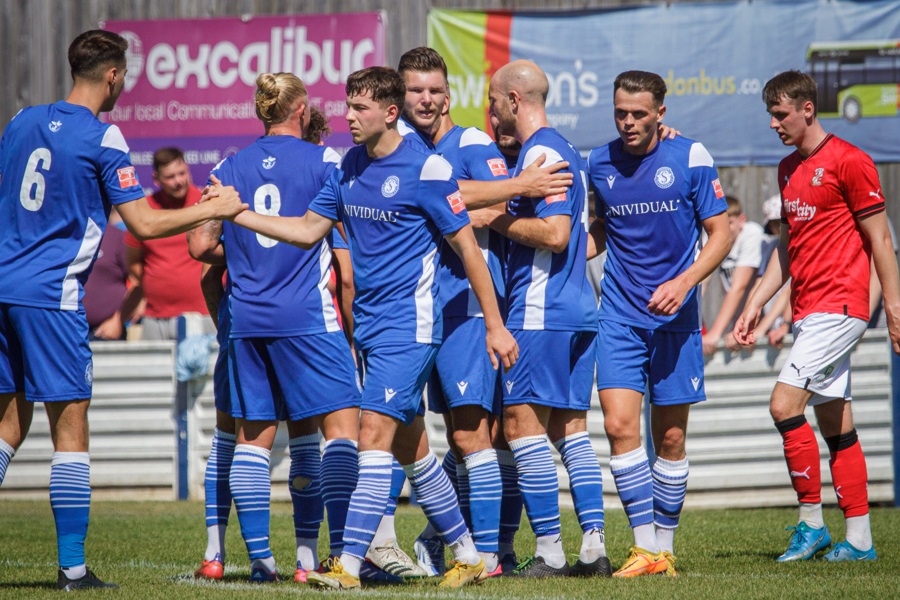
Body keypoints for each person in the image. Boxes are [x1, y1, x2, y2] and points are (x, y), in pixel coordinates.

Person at [214, 66, 518, 590]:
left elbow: (468, 249)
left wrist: (495, 326)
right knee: (411, 449)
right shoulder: (349, 165)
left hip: (412, 328)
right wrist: (237, 214)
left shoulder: (426, 171)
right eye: (348, 105)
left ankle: (348, 564)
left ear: (390, 113)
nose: (348, 117)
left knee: (370, 438)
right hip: (372, 333)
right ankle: (469, 555)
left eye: (360, 108)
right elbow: (309, 230)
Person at [0, 29, 245, 591]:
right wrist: (218, 207)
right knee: (71, 424)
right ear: (112, 75)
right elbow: (144, 224)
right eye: (125, 74)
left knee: (10, 422)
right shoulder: (105, 136)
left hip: (5, 289)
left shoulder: (20, 121)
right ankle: (73, 569)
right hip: (51, 297)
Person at [189, 72, 365, 583]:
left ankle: (259, 560)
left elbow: (200, 247)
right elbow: (348, 257)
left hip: (245, 317)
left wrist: (243, 255)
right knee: (339, 433)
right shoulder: (325, 161)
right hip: (307, 317)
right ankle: (320, 558)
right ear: (302, 109)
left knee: (251, 439)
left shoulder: (227, 166)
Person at [398, 47, 565, 578]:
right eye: (414, 91)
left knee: (476, 439)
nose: (425, 99)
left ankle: (484, 556)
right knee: (466, 438)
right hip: (426, 312)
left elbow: (502, 208)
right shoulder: (400, 149)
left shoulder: (471, 142)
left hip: (472, 309)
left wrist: (491, 194)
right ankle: (456, 542)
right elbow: (453, 198)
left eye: (433, 90)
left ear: (448, 95)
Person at [734, 69, 900, 563]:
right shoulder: (787, 170)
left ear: (808, 109)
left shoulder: (851, 161)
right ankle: (861, 542)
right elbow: (787, 250)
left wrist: (893, 305)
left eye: (781, 114)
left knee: (783, 406)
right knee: (836, 423)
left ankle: (811, 526)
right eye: (770, 114)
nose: (773, 123)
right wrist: (755, 300)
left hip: (841, 308)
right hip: (809, 310)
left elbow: (882, 241)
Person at [586, 70, 731, 577]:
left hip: (675, 318)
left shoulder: (690, 156)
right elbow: (601, 229)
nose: (628, 122)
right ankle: (644, 547)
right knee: (619, 426)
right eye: (620, 113)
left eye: (639, 114)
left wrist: (686, 281)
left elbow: (721, 232)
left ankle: (663, 550)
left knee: (669, 439)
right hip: (620, 315)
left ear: (660, 114)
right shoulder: (597, 162)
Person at [472, 59, 608, 578]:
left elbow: (554, 235)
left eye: (492, 100)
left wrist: (497, 218)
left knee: (519, 425)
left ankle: (549, 551)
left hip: (540, 308)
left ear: (514, 100)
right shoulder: (568, 150)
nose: (490, 112)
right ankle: (593, 548)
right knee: (571, 431)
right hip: (576, 309)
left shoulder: (542, 152)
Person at [124, 147, 213, 340]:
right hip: (155, 316)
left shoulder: (206, 204)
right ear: (156, 178)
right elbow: (133, 262)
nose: (179, 181)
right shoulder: (145, 211)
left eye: (182, 173)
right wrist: (156, 282)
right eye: (170, 177)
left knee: (205, 371)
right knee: (154, 371)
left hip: (204, 313)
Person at [703, 196, 766, 354]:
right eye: (721, 224)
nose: (725, 229)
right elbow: (702, 282)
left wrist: (715, 334)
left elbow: (739, 286)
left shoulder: (751, 234)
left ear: (741, 220)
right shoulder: (713, 236)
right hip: (739, 322)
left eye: (729, 223)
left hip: (762, 321)